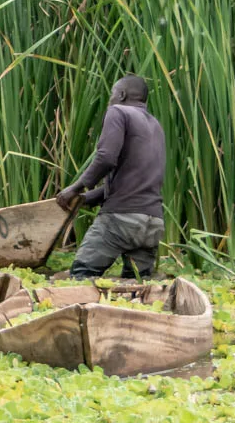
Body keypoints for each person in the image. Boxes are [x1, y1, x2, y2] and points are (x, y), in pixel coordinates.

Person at [56, 74, 166, 279]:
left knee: (81, 275)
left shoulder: (118, 111)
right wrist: (86, 199)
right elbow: (134, 180)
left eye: (112, 94)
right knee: (137, 286)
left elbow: (106, 158)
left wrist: (76, 187)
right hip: (152, 223)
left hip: (121, 221)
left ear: (122, 94)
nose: (111, 99)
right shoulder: (156, 126)